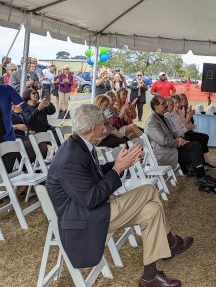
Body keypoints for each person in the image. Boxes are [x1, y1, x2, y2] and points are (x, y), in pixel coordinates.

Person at [46, 104, 192, 287]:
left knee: (152, 210)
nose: (106, 127)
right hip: (85, 219)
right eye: (103, 123)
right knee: (149, 191)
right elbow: (90, 199)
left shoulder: (79, 145)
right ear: (93, 128)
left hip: (93, 210)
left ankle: (150, 276)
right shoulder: (70, 157)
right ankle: (169, 242)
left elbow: (95, 175)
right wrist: (117, 168)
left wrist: (120, 163)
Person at [145, 96, 216, 193]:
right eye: (163, 104)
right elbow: (163, 141)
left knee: (195, 145)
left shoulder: (163, 117)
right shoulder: (152, 121)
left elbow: (173, 133)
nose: (166, 105)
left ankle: (201, 176)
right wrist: (179, 142)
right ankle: (201, 177)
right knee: (194, 152)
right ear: (155, 106)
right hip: (165, 154)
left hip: (172, 148)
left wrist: (181, 139)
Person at [174, 94, 215, 168]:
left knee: (204, 137)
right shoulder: (177, 111)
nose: (181, 102)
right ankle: (200, 162)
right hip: (182, 134)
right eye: (180, 100)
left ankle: (203, 159)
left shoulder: (182, 110)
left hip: (186, 131)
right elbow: (182, 125)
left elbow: (188, 123)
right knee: (200, 140)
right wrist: (189, 117)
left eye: (184, 99)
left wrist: (189, 118)